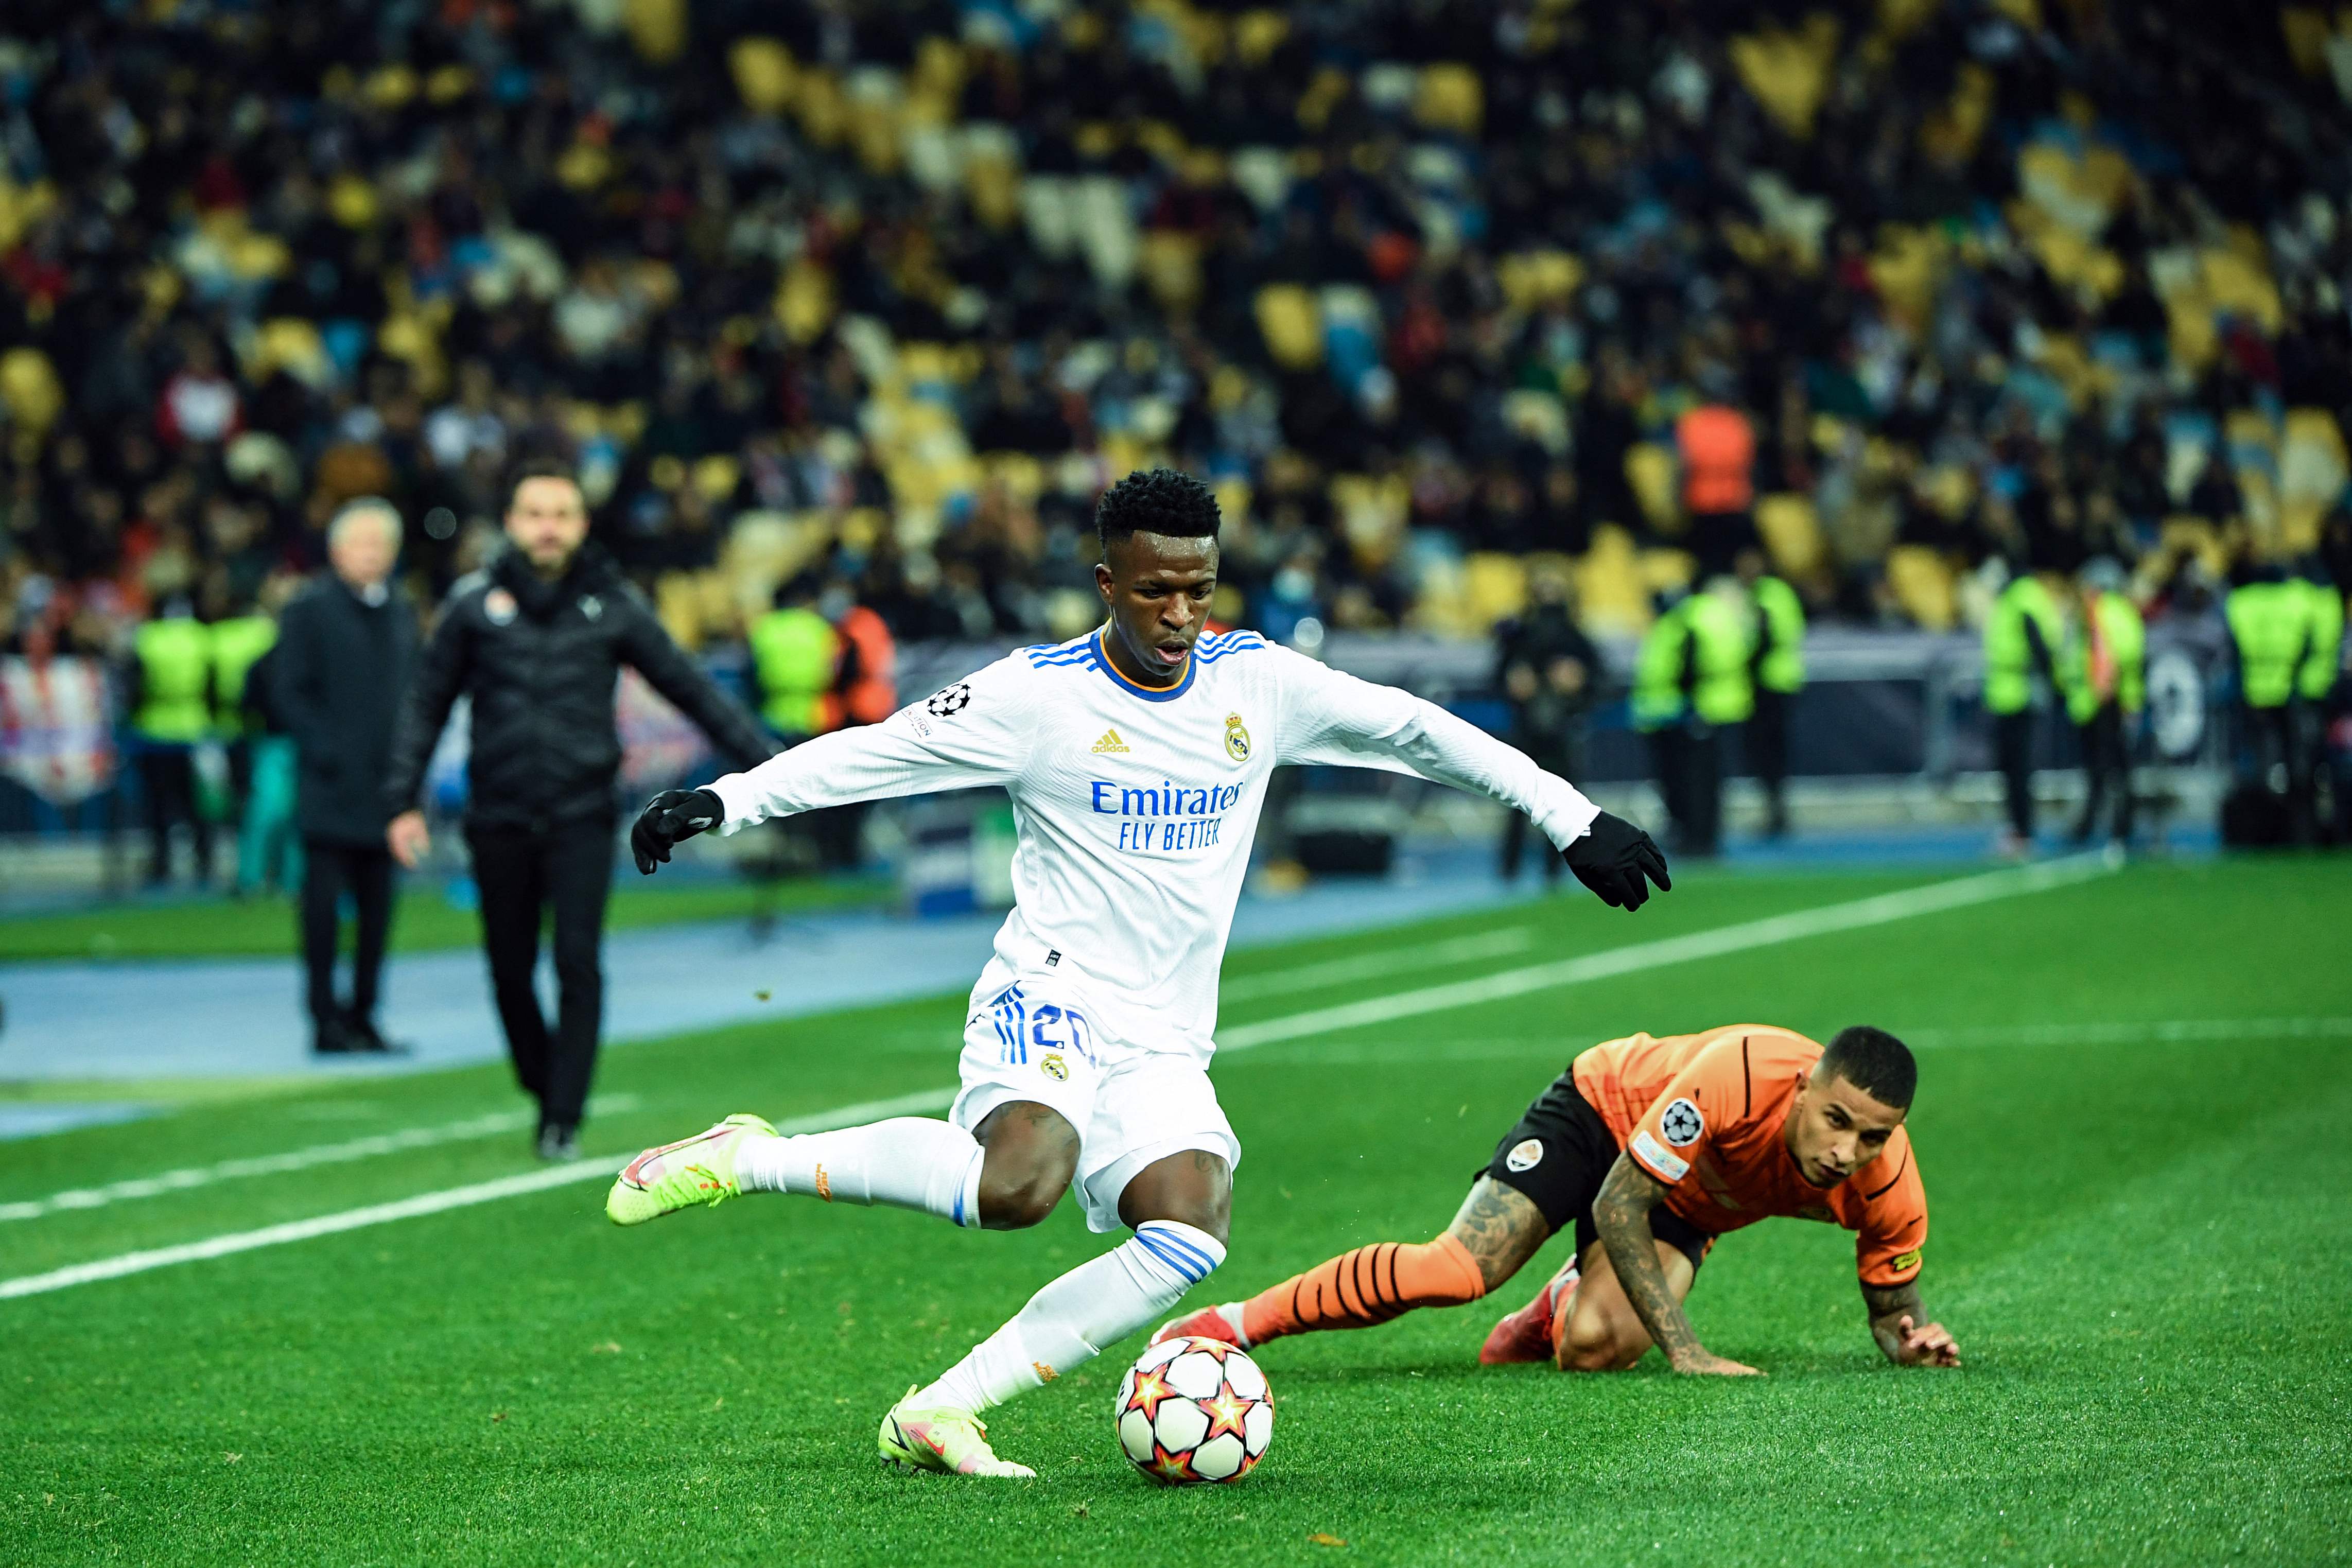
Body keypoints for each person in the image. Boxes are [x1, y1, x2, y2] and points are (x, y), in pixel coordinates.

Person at [608, 468, 1673, 1479]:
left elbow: (1415, 728)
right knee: (1016, 1183)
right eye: (1156, 589)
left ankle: (943, 1407)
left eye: (1198, 589)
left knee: (1189, 1221)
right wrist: (729, 800)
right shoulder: (1036, 696)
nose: (1179, 613)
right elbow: (874, 751)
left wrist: (1570, 815)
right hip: (1052, 987)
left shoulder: (1256, 679)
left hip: (1163, 1031)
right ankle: (752, 1155)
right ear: (1107, 581)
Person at [1159, 1023, 1957, 1377]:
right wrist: (1686, 1348)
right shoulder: (1741, 1072)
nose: (1846, 1151)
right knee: (1459, 1269)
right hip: (1602, 1114)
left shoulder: (1887, 1184)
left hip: (1680, 1198)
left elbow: (1892, 1309)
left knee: (1596, 1349)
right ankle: (1232, 1324)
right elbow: (1617, 1203)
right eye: (1836, 1121)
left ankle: (1557, 1307)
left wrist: (1910, 1341)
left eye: (1873, 1136)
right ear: (1803, 1087)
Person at [383, 461, 772, 1159]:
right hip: (497, 811)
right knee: (507, 967)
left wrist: (766, 763)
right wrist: (402, 800)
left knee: (576, 960)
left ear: (581, 525)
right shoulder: (473, 606)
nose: (548, 527)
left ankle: (563, 1113)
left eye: (561, 513)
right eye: (535, 513)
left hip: (581, 814)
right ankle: (544, 1082)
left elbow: (688, 687)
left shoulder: (612, 603)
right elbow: (425, 704)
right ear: (511, 522)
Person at [276, 499, 418, 1055]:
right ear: (337, 551)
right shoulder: (308, 609)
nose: (371, 554)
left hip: (387, 791)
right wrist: (326, 750)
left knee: (379, 913)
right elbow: (289, 690)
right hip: (330, 790)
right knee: (321, 913)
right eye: (362, 544)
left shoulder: (402, 611)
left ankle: (364, 1015)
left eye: (380, 544)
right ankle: (323, 1018)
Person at [1630, 578, 1753, 857]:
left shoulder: (1685, 623)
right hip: (1683, 712)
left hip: (1685, 712)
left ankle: (1698, 839)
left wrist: (1689, 703)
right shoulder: (1699, 619)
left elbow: (1688, 667)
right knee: (1694, 781)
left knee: (1693, 781)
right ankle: (1697, 837)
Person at [1492, 564, 1599, 884]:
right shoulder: (1519, 636)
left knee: (1562, 802)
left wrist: (1578, 684)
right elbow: (1499, 678)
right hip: (1526, 729)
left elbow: (1597, 682)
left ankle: (1557, 870)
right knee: (1515, 800)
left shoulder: (1577, 638)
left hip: (1564, 730)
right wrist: (1513, 681)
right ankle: (1509, 869)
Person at [125, 595, 216, 886]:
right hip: (195, 726)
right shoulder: (203, 637)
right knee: (197, 803)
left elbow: (134, 684)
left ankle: (162, 864)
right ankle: (204, 861)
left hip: (156, 728)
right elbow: (212, 684)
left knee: (158, 804)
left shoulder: (148, 637)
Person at [1982, 558, 2068, 856]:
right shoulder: (2030, 596)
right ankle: (2020, 829)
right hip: (2014, 693)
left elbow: (2038, 645)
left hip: (2017, 695)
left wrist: (2049, 685)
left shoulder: (2021, 598)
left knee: (2016, 769)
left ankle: (2022, 832)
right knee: (2015, 769)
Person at [2225, 559, 2312, 843]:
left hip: (2254, 694)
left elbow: (2233, 649)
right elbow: (2307, 646)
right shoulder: (2297, 601)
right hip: (2289, 691)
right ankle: (2299, 834)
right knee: (2297, 767)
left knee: (2261, 770)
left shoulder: (2242, 603)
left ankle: (2263, 835)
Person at [2062, 558, 2145, 848]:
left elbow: (2112, 657)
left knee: (2107, 767)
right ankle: (2113, 826)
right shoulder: (2121, 611)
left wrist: (2105, 689)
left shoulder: (2103, 611)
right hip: (2109, 699)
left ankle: (2111, 827)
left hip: (2104, 699)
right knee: (2114, 767)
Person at [1738, 547, 1805, 839]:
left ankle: (1776, 814)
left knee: (1767, 753)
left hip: (1769, 683)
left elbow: (1765, 639)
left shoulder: (1764, 596)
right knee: (1775, 751)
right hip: (1786, 679)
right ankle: (1778, 812)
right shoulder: (1783, 593)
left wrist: (1742, 665)